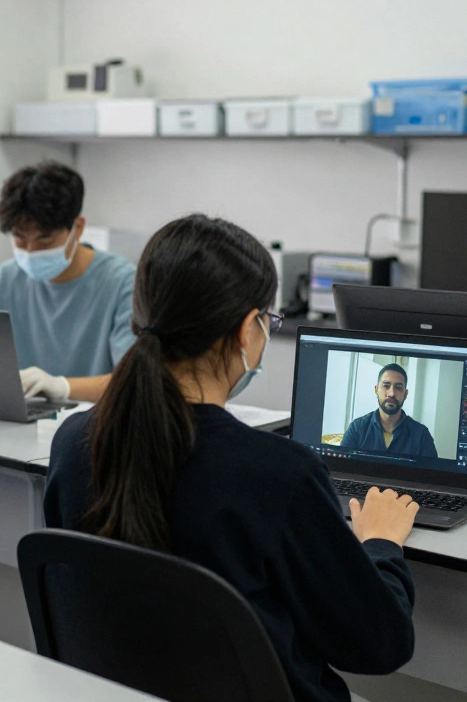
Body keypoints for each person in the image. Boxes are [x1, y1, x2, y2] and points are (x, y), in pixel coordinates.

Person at [43, 214, 418, 702]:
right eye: (269, 320)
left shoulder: (74, 441)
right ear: (248, 330)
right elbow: (379, 645)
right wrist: (382, 545)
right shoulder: (279, 475)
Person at [0, 161, 135, 403]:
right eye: (19, 237)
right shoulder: (7, 279)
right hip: (17, 422)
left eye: (45, 239)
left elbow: (134, 383)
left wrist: (61, 387)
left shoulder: (123, 283)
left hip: (93, 424)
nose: (31, 250)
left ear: (77, 228)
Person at [339, 364, 438, 458]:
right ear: (376, 390)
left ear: (405, 394)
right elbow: (342, 469)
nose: (391, 393)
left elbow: (431, 474)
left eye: (398, 387)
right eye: (386, 386)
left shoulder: (421, 435)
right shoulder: (357, 429)